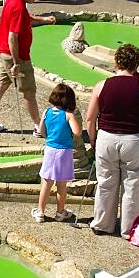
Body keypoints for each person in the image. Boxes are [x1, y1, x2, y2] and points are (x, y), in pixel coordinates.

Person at [85, 43, 139, 238]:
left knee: (105, 183)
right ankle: (129, 229)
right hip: (135, 140)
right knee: (134, 185)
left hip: (107, 138)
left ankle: (102, 224)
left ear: (116, 61)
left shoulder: (101, 85)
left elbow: (90, 118)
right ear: (136, 64)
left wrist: (93, 140)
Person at [0, 0, 56, 135]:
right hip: (17, 58)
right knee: (29, 92)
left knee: (1, 85)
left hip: (4, 53)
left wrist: (44, 19)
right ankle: (38, 127)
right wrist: (16, 63)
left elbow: (23, 20)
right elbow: (12, 37)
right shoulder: (19, 8)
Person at [32, 83, 83, 223]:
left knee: (46, 183)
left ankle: (40, 212)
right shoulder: (68, 115)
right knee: (61, 185)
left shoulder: (47, 112)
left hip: (50, 149)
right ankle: (60, 212)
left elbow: (41, 132)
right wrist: (74, 119)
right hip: (64, 151)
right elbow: (77, 132)